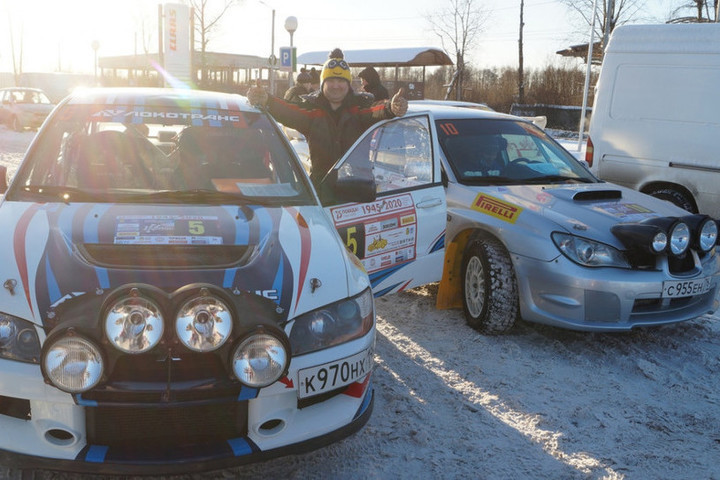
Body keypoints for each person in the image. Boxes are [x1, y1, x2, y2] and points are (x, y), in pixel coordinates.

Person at [247, 48, 408, 185]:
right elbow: (288, 110)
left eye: (341, 80)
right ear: (323, 83)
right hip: (322, 193)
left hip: (356, 193)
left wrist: (392, 107)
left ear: (348, 83)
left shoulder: (358, 109)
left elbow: (377, 110)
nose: (336, 85)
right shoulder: (312, 112)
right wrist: (266, 99)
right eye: (331, 80)